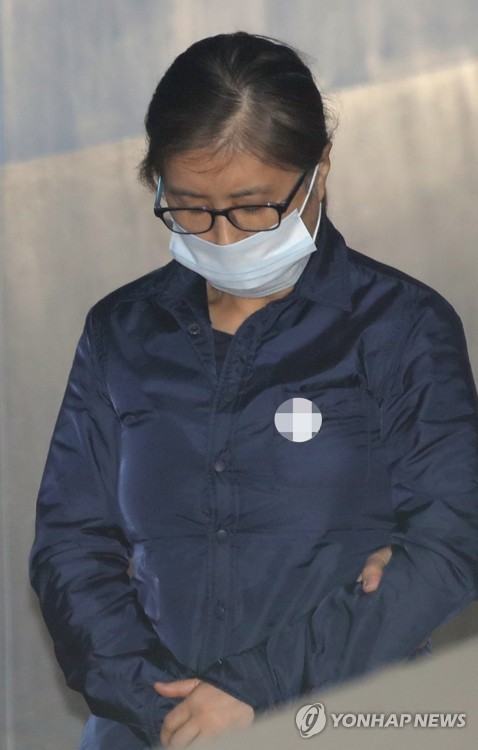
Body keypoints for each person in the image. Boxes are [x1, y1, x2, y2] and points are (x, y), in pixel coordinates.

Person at [29, 31, 478, 750]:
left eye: (251, 207)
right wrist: (165, 709)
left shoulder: (399, 326)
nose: (224, 238)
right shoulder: (123, 332)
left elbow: (449, 542)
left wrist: (256, 690)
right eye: (190, 207)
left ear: (319, 171)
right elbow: (69, 546)